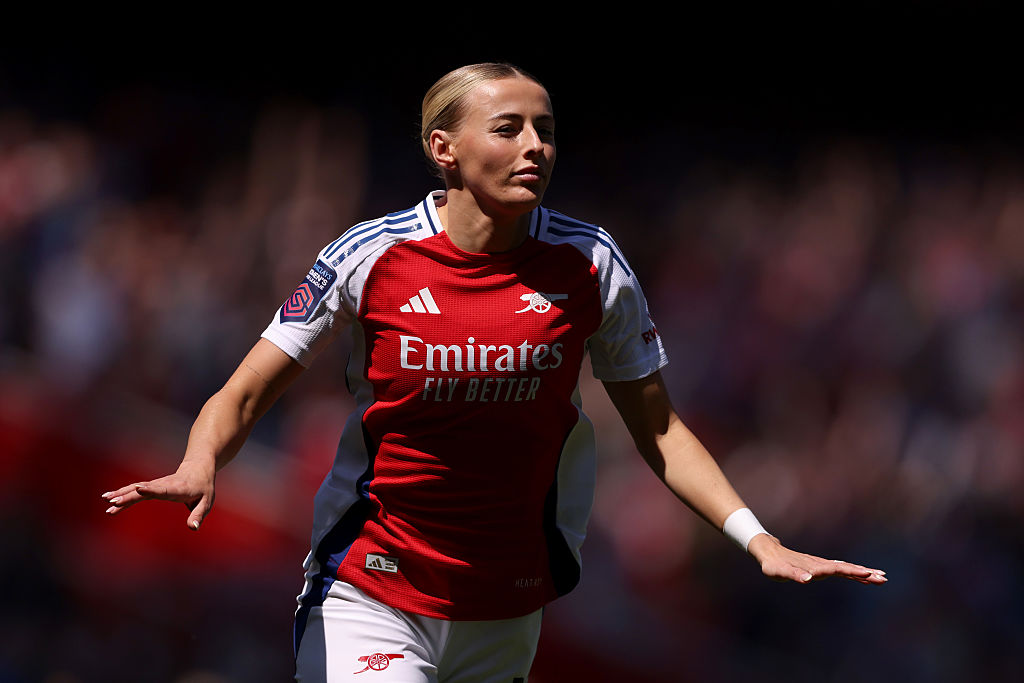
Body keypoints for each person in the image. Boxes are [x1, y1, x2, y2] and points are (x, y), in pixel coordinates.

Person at [101, 62, 886, 682]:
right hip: (372, 586)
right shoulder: (371, 255)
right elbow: (243, 390)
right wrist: (201, 459)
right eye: (508, 128)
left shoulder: (591, 263)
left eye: (545, 129)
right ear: (444, 147)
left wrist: (756, 537)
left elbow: (660, 428)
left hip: (504, 608)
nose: (535, 145)